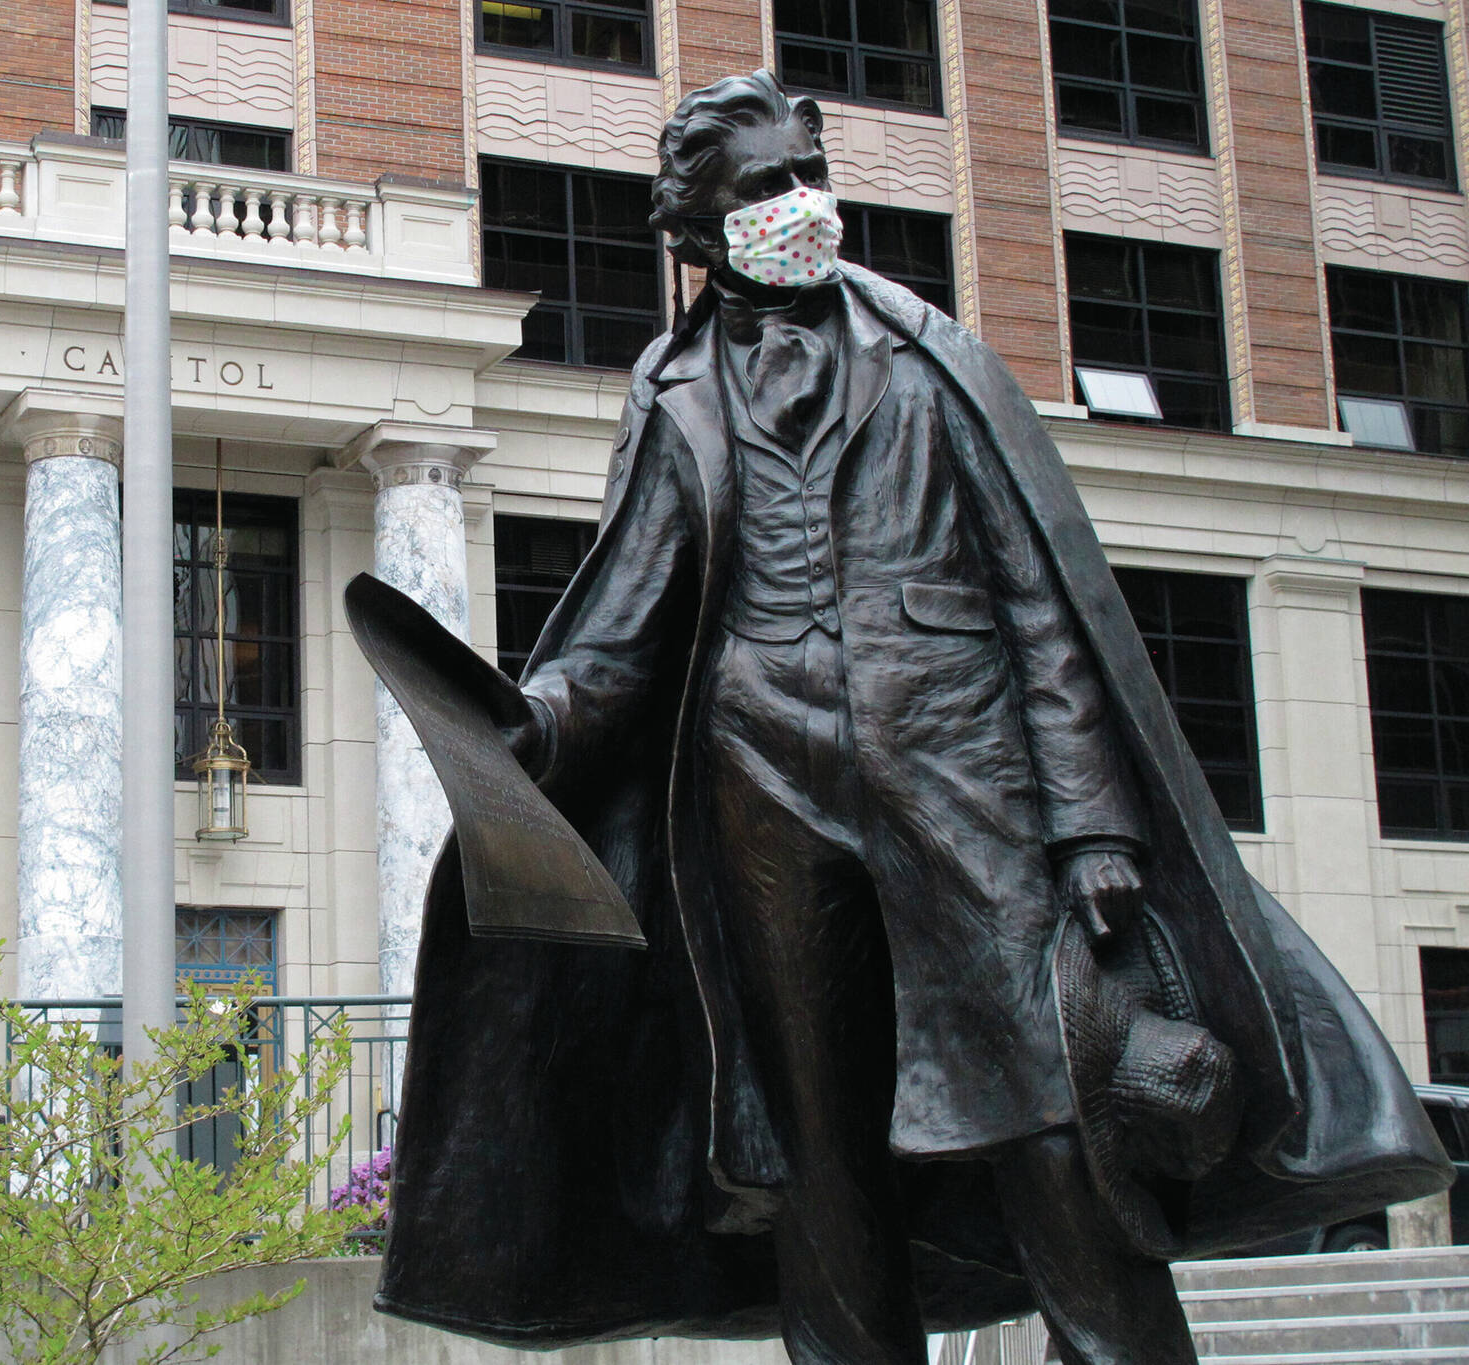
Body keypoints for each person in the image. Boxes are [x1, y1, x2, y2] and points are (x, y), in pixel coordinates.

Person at [371, 71, 1451, 1365]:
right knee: (819, 1146)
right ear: (701, 228)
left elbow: (1040, 603)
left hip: (966, 785)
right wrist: (532, 727)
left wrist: (1090, 823)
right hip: (763, 801)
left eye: (807, 175)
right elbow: (623, 631)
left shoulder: (930, 358)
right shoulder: (673, 393)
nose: (801, 204)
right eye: (766, 187)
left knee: (1051, 1110)